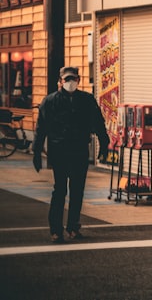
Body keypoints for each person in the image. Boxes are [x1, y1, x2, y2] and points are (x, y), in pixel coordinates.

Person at [32, 66, 111, 243]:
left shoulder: (86, 100)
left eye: (73, 79)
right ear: (60, 81)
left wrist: (104, 145)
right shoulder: (50, 101)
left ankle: (73, 226)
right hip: (59, 151)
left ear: (79, 79)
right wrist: (36, 152)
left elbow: (99, 123)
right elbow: (41, 128)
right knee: (60, 189)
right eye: (67, 79)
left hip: (79, 150)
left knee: (77, 190)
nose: (70, 83)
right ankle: (56, 230)